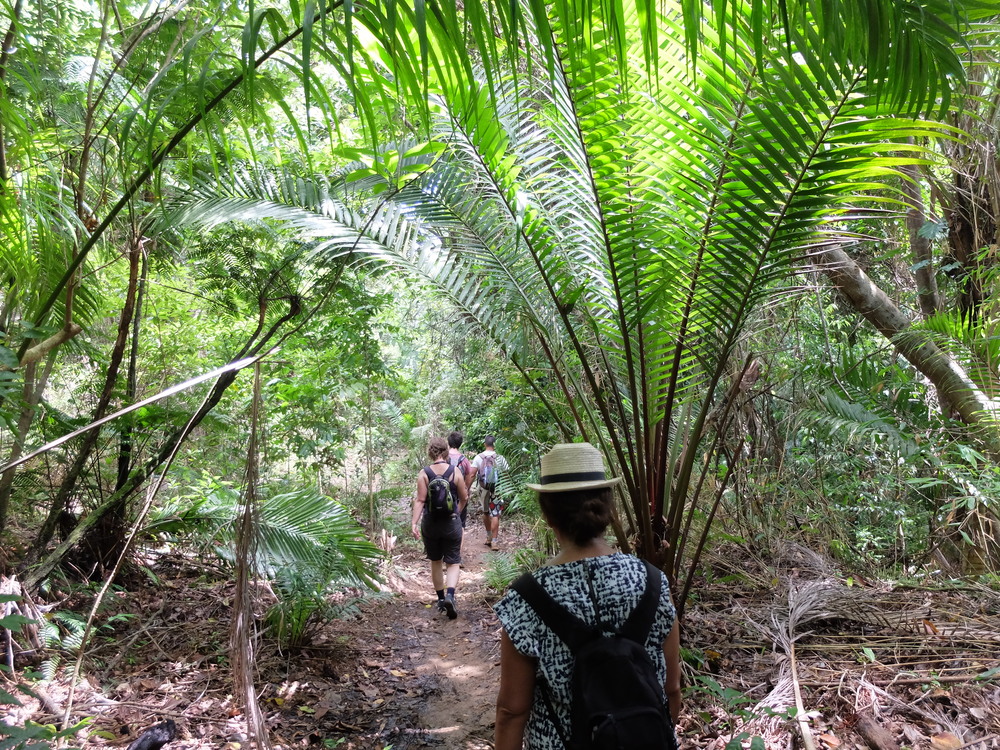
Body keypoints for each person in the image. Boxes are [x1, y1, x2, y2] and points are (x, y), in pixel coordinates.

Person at [493, 442, 682, 750]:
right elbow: (671, 688)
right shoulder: (653, 582)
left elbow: (512, 711)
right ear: (608, 508)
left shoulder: (525, 599)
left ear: (548, 515)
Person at [412, 436, 468, 619]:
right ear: (445, 451)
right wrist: (457, 514)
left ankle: (440, 599)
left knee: (435, 561)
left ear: (430, 452)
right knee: (452, 561)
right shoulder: (455, 471)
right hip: (451, 522)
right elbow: (464, 497)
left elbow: (420, 500)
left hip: (430, 523)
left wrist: (414, 523)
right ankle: (451, 595)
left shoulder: (424, 473)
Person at [471, 435, 509, 548]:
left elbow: (472, 474)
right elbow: (506, 474)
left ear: (485, 444)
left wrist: (466, 487)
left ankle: (488, 536)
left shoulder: (479, 457)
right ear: (495, 445)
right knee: (495, 514)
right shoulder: (500, 458)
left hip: (483, 489)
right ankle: (495, 541)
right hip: (497, 490)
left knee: (486, 513)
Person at [447, 431, 475, 528]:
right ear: (460, 443)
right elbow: (468, 479)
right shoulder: (464, 460)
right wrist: (465, 491)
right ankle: (459, 541)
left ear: (448, 442)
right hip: (460, 497)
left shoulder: (443, 457)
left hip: (443, 495)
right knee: (460, 523)